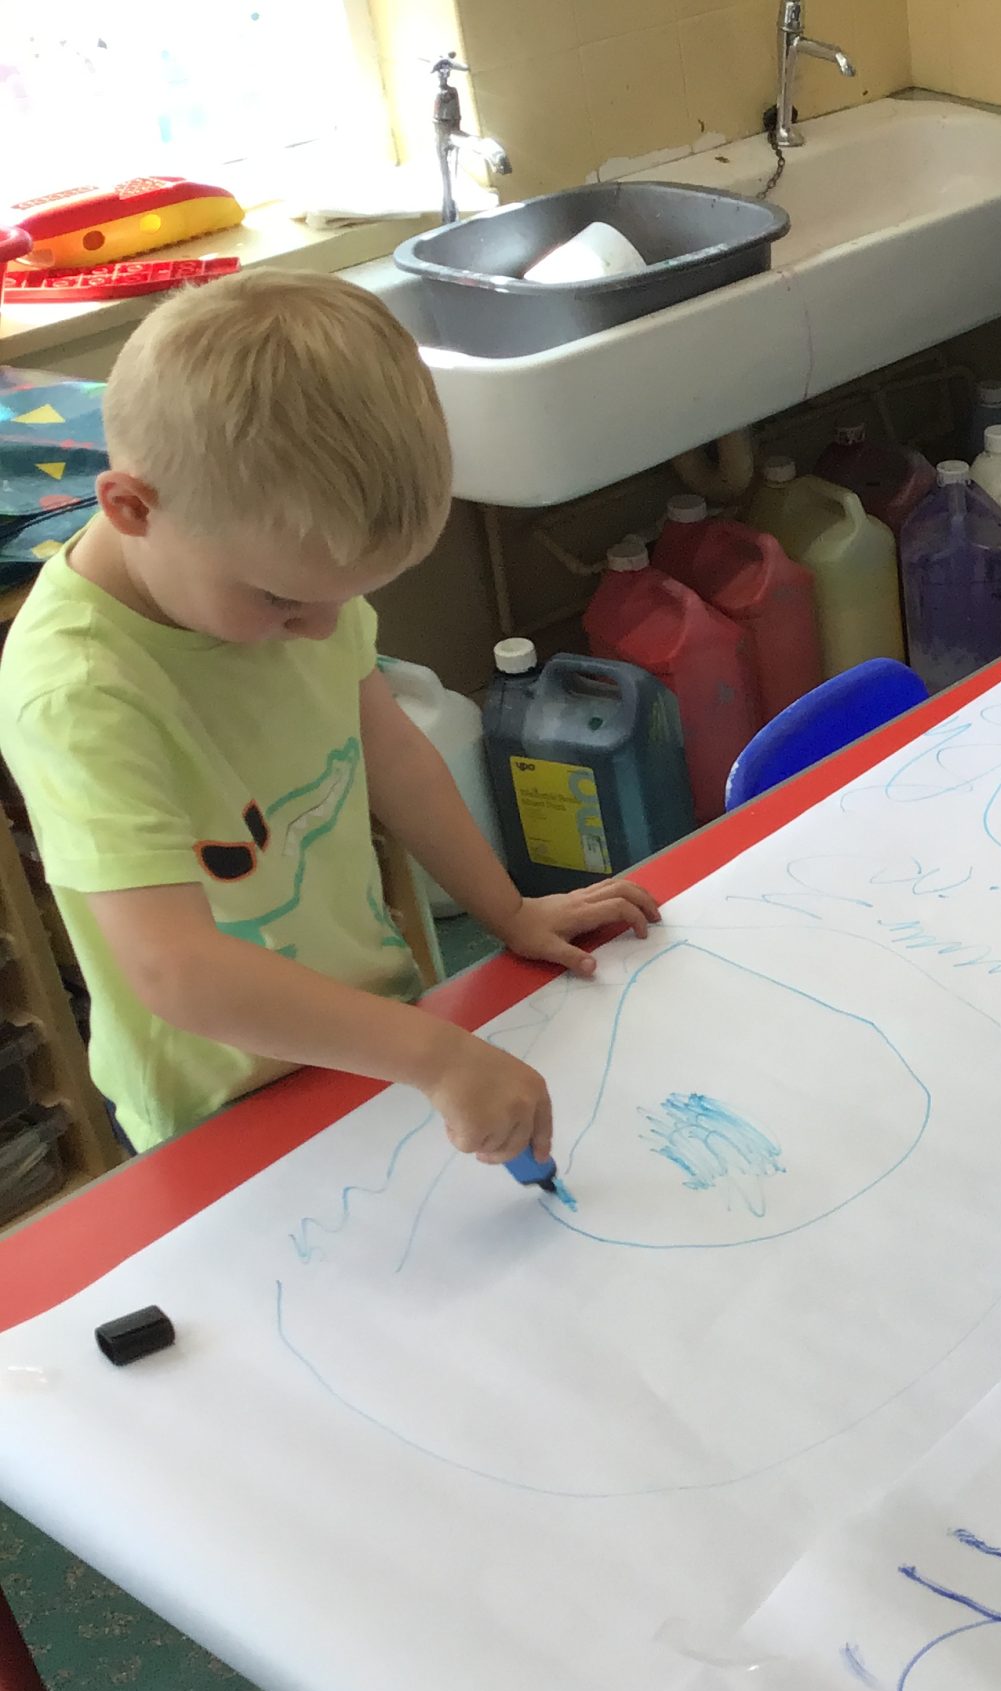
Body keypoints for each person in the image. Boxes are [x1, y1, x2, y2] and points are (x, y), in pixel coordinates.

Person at [0, 272, 655, 1161]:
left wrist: (507, 910)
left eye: (343, 599)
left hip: (373, 1033)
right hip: (222, 1109)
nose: (320, 630)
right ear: (131, 508)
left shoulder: (296, 586)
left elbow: (395, 756)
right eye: (282, 600)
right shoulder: (78, 693)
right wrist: (434, 1054)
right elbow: (175, 968)